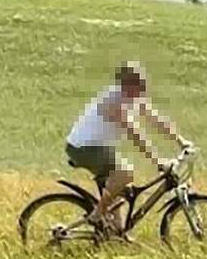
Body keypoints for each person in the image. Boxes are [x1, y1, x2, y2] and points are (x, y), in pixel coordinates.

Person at [64, 61, 190, 237]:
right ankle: (97, 213)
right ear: (127, 85)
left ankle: (116, 232)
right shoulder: (114, 101)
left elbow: (155, 119)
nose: (143, 88)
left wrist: (180, 140)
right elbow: (135, 133)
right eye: (139, 84)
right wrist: (157, 161)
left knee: (122, 189)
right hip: (84, 148)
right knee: (126, 172)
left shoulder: (132, 97)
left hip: (98, 147)